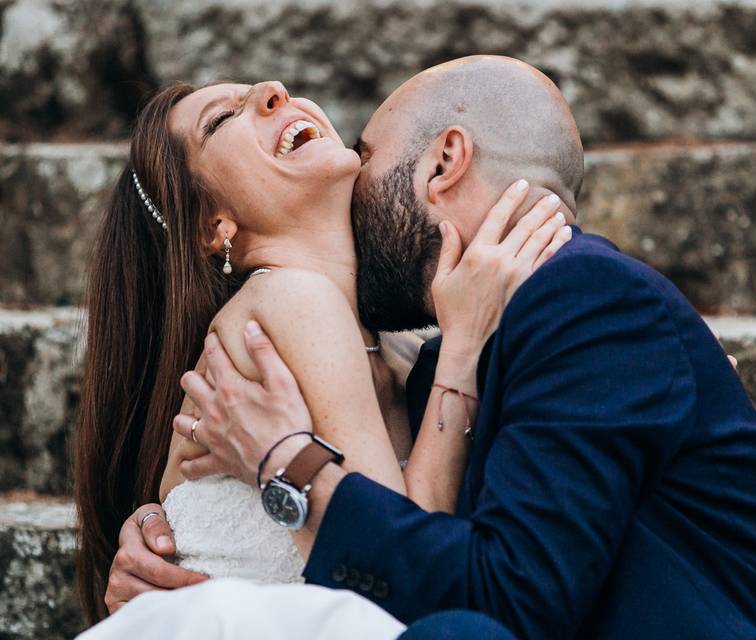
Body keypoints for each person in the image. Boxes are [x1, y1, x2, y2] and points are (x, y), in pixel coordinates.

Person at [104, 56, 756, 639]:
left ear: (444, 162)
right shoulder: (433, 351)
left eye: (368, 158)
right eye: (228, 116)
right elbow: (411, 536)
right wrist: (161, 528)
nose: (277, 91)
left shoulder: (580, 304)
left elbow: (472, 582)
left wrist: (283, 463)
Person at [74, 72, 572, 638]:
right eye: (223, 119)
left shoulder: (401, 353)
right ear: (214, 226)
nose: (274, 89)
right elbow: (404, 559)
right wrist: (464, 346)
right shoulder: (289, 301)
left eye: (264, 92)